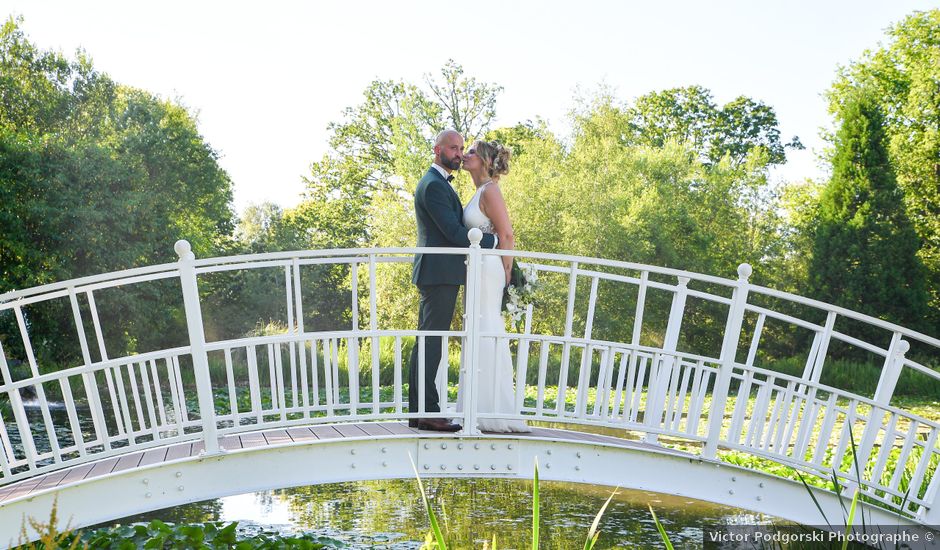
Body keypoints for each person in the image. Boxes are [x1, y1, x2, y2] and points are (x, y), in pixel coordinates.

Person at [408, 129, 498, 431]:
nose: (459, 153)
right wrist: (493, 244)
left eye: (462, 148)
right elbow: (454, 233)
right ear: (437, 150)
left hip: (440, 272)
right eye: (453, 148)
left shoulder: (439, 183)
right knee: (431, 342)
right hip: (438, 273)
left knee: (428, 341)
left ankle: (421, 411)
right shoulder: (433, 186)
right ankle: (428, 412)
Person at [459, 140, 530, 433]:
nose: (465, 155)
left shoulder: (490, 190)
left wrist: (507, 271)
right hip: (477, 267)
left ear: (486, 161)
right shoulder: (477, 192)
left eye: (472, 152)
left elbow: (507, 234)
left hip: (489, 267)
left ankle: (494, 410)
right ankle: (475, 405)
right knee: (474, 327)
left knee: (486, 325)